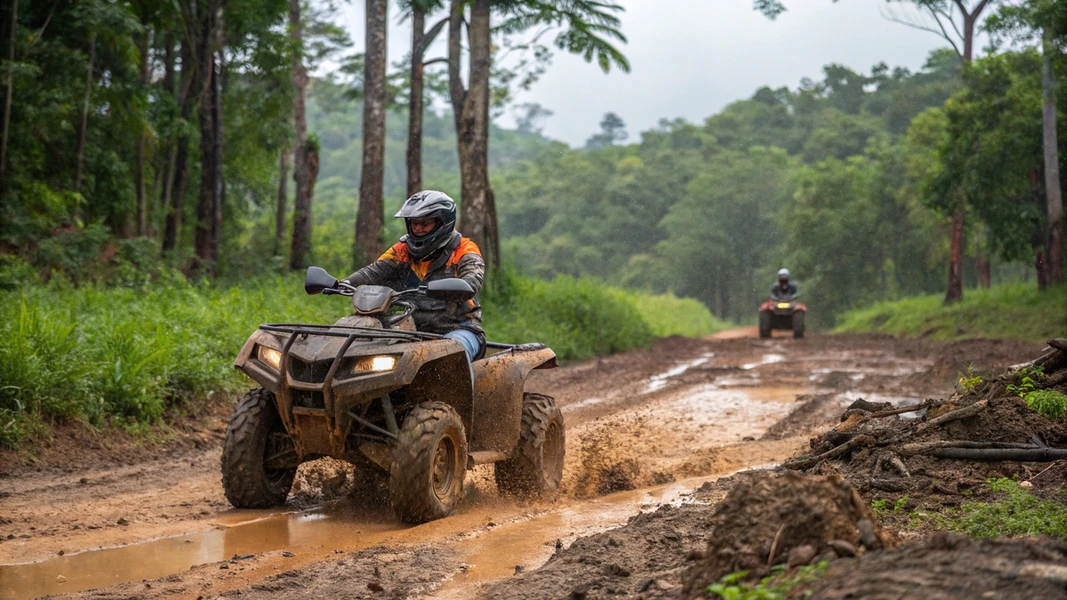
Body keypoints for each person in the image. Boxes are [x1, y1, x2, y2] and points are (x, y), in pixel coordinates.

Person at [343, 190, 486, 362]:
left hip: (458, 329)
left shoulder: (465, 250)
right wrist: (343, 283)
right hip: (405, 325)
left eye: (425, 223)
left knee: (449, 358)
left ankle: (465, 390)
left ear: (443, 223)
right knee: (352, 344)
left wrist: (460, 286)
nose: (417, 228)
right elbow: (373, 272)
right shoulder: (402, 250)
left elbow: (473, 280)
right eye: (414, 222)